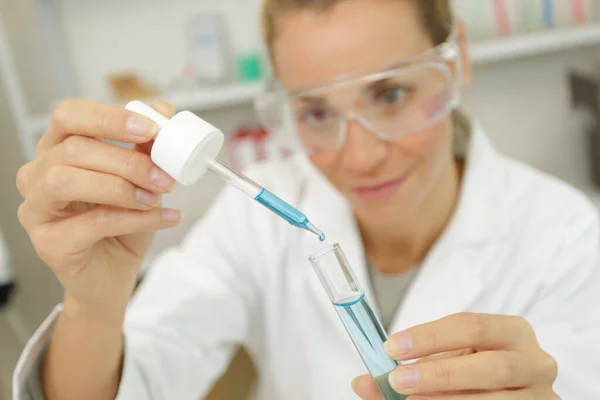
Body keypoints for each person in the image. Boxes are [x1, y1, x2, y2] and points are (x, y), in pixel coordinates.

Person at [12, 0, 600, 399]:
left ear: (457, 59)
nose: (361, 157)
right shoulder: (256, 220)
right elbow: (140, 377)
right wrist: (95, 301)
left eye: (391, 93)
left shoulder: (567, 237)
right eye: (317, 112)